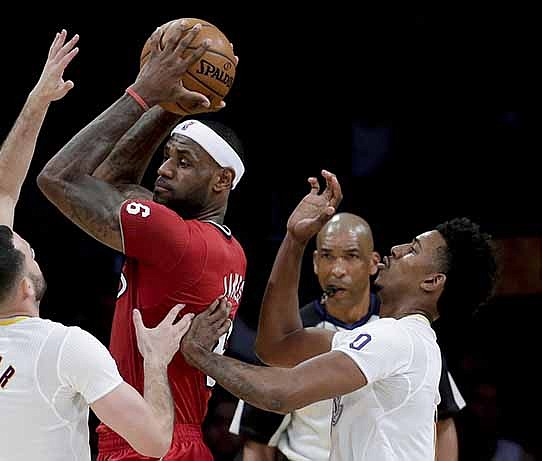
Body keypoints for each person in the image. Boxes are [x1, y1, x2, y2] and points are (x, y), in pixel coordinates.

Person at [0, 30, 193, 461]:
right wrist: (155, 359)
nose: (32, 247)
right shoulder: (65, 348)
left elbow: (3, 190)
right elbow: (155, 442)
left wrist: (39, 99)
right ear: (27, 288)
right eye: (29, 253)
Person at [37, 20, 246, 461]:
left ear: (222, 180)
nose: (164, 170)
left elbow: (59, 178)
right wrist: (174, 108)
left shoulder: (177, 240)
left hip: (148, 441)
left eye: (183, 162)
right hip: (174, 434)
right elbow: (115, 182)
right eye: (167, 156)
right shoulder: (225, 248)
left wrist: (144, 94)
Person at [180, 171, 498, 461]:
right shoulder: (399, 338)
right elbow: (277, 346)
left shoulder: (397, 339)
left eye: (412, 249)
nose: (398, 249)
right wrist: (294, 240)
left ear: (432, 282)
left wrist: (201, 356)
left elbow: (282, 393)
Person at [229, 213, 467, 461]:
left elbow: (443, 422)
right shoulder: (304, 327)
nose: (338, 270)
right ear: (315, 262)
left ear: (374, 263)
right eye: (327, 256)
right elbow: (257, 441)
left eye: (351, 256)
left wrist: (203, 356)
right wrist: (294, 240)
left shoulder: (401, 335)